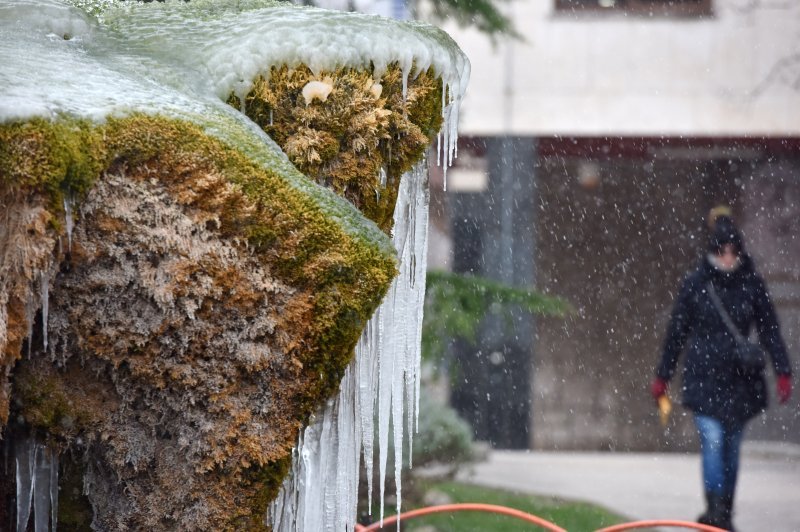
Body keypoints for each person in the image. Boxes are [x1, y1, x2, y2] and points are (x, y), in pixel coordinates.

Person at [651, 206, 793, 531]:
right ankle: (715, 512)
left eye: (733, 252)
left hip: (740, 380)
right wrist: (663, 375)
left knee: (730, 447)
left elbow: (770, 329)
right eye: (721, 251)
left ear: (740, 252)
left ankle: (724, 512)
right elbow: (677, 332)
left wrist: (783, 370)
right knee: (713, 441)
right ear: (713, 251)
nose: (728, 258)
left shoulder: (751, 284)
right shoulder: (696, 284)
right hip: (703, 376)